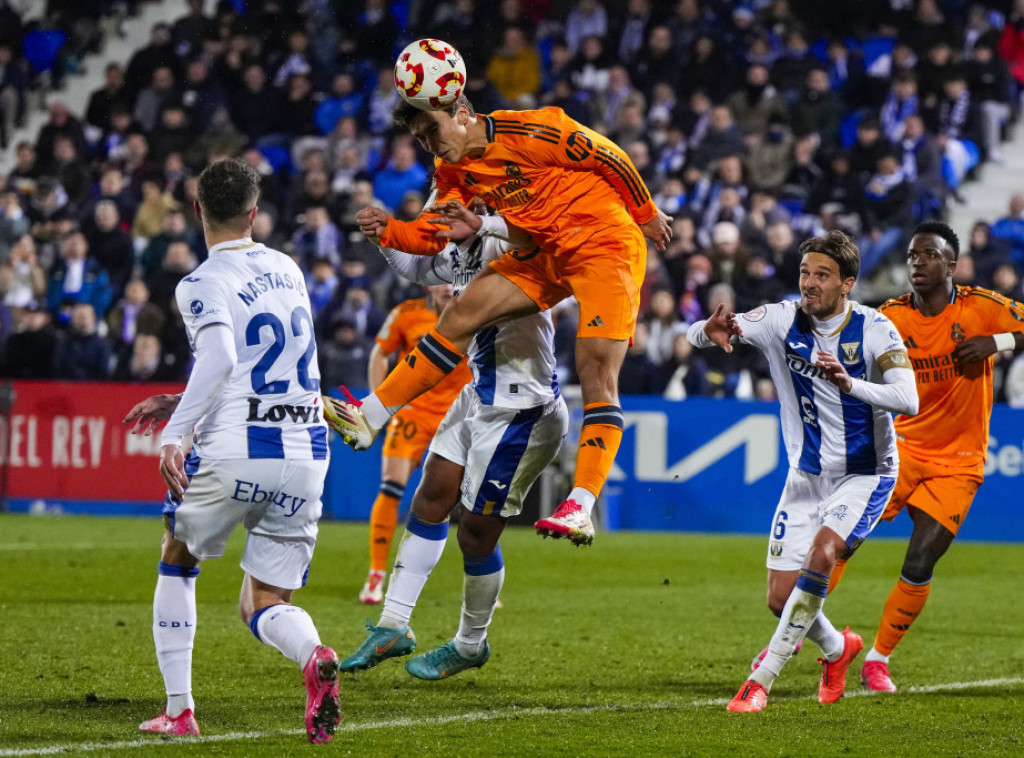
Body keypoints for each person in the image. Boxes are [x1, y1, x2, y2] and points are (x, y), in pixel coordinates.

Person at [326, 90, 671, 549]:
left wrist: (645, 212)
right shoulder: (452, 170)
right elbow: (430, 237)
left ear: (463, 113)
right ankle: (369, 416)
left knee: (595, 371)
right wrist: (389, 231)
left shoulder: (530, 128)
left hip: (607, 248)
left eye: (432, 130)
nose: (428, 143)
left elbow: (611, 155)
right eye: (419, 137)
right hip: (544, 251)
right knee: (462, 310)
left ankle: (581, 505)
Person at [121, 159, 341, 743]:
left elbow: (219, 358)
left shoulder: (198, 282)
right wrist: (182, 399)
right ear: (254, 213)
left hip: (239, 448)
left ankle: (180, 710)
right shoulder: (289, 268)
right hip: (305, 450)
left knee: (178, 554)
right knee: (264, 599)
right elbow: (253, 363)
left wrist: (175, 433)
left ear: (197, 212)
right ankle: (313, 654)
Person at [686, 230, 918, 712]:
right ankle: (839, 648)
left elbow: (908, 399)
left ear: (847, 283)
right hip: (806, 476)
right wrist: (706, 333)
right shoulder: (780, 318)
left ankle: (761, 682)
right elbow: (713, 332)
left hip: (866, 474)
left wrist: (851, 383)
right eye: (805, 273)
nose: (809, 283)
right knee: (780, 598)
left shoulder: (876, 329)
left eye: (822, 275)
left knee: (824, 552)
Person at [337, 213, 567, 679]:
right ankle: (393, 624)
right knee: (429, 498)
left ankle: (469, 644)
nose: (447, 213)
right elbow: (416, 269)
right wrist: (384, 235)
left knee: (476, 534)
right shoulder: (462, 254)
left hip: (521, 409)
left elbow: (546, 238)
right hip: (479, 394)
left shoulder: (510, 247)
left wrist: (485, 221)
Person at [850, 222, 1024, 692]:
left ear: (951, 265)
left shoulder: (982, 308)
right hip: (900, 449)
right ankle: (803, 632)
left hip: (959, 458)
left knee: (922, 559)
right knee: (843, 537)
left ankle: (877, 659)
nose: (916, 263)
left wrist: (998, 342)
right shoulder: (889, 317)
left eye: (928, 256)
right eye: (911, 256)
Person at [355, 285, 473, 604]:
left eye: (454, 276)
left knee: (473, 499)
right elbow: (380, 352)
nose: (449, 286)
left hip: (459, 414)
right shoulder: (406, 313)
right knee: (392, 486)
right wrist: (382, 403)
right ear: (429, 282)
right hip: (413, 412)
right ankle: (376, 575)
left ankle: (476, 579)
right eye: (442, 278)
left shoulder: (478, 306)